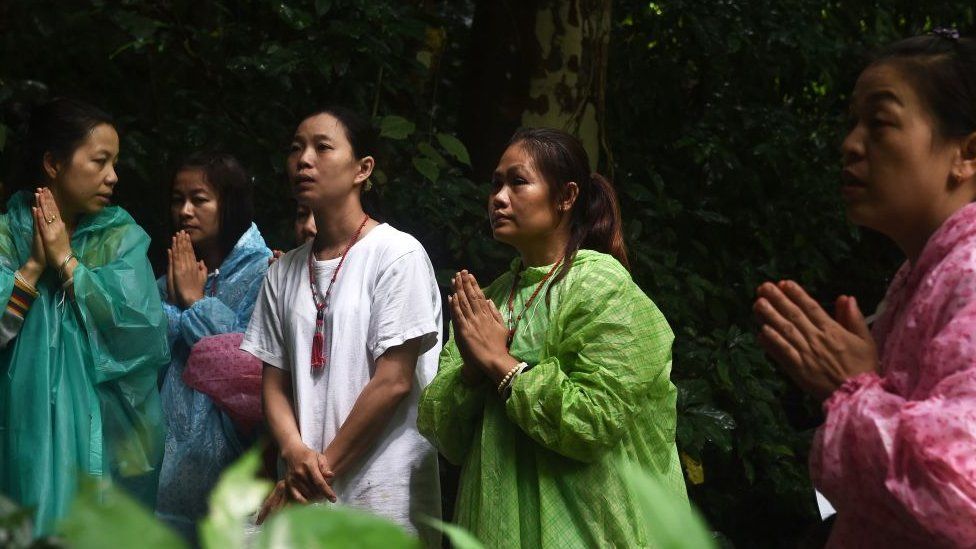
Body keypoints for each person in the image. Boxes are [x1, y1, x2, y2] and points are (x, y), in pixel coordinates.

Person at [753, 31, 976, 547]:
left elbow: (961, 498)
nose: (850, 144)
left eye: (880, 123)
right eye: (853, 122)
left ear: (966, 154)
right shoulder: (922, 271)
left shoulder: (968, 271)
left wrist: (850, 390)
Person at [417, 127, 688, 547]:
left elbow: (595, 422)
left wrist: (502, 366)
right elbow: (445, 436)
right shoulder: (488, 300)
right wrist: (471, 371)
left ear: (566, 197)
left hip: (585, 526)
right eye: (495, 184)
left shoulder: (601, 285)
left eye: (518, 182)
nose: (499, 198)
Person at [241, 107, 441, 543]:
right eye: (296, 149)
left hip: (383, 495)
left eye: (322, 147)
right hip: (304, 494)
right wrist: (294, 452)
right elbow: (273, 384)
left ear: (362, 169)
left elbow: (393, 382)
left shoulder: (396, 255)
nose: (303, 160)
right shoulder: (282, 271)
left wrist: (310, 478)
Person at [0, 98, 169, 534]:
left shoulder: (120, 238)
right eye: (100, 161)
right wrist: (34, 268)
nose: (113, 176)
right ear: (53, 163)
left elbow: (143, 334)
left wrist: (68, 264)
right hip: (20, 431)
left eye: (115, 163)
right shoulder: (6, 237)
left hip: (103, 442)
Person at [155, 152, 271, 539]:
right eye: (177, 199)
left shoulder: (267, 272)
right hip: (166, 473)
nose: (185, 211)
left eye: (199, 199)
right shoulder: (172, 271)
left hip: (236, 469)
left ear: (230, 204)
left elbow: (247, 368)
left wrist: (195, 301)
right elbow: (146, 350)